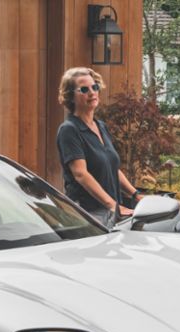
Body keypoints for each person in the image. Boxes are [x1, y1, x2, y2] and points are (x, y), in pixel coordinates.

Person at [56, 67, 143, 227]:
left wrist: (135, 194)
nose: (92, 92)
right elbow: (80, 174)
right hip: (87, 215)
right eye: (84, 89)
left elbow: (112, 169)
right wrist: (112, 205)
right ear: (71, 96)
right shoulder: (69, 130)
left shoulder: (100, 126)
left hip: (110, 212)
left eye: (94, 87)